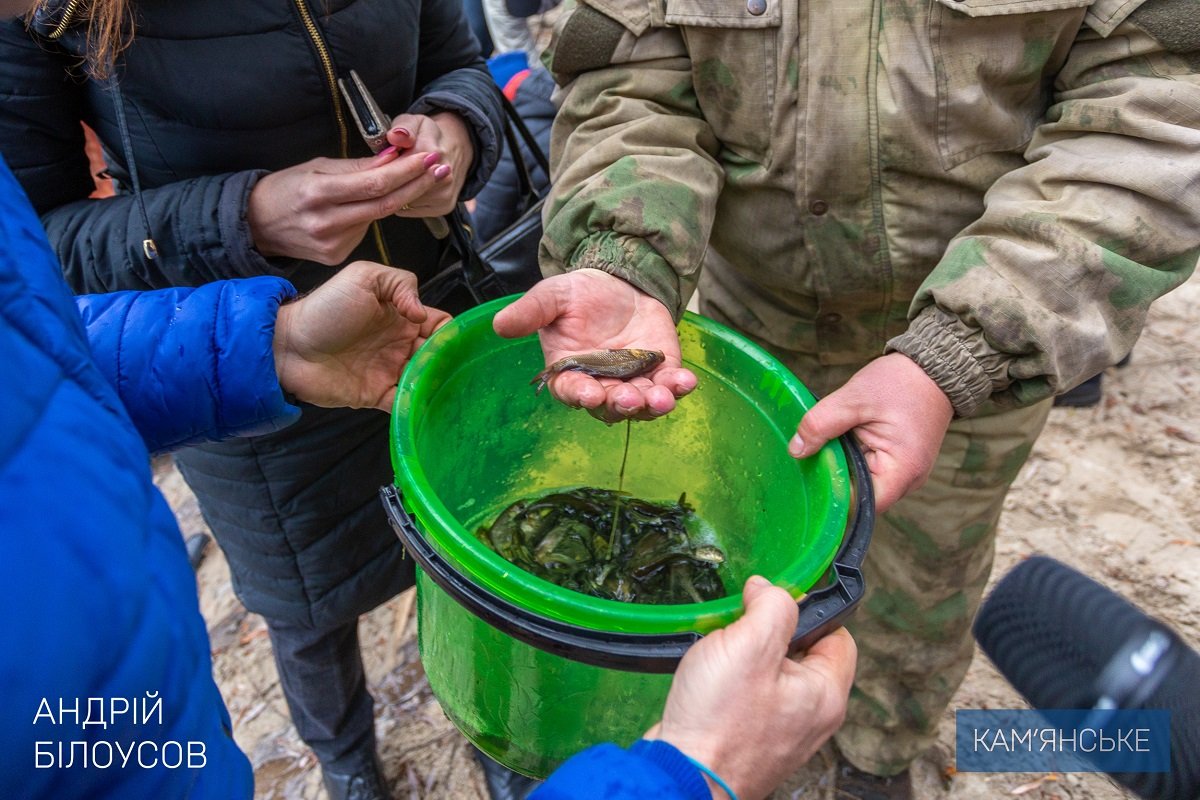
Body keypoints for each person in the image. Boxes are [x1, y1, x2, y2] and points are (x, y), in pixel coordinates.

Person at [0, 118, 856, 800]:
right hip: (259, 496)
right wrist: (685, 774)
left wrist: (269, 341)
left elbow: (29, 346)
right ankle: (348, 762)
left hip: (356, 346)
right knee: (310, 618)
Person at [494, 2, 1200, 797]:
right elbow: (629, 79)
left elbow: (1154, 107)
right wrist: (625, 251)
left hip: (974, 365)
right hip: (754, 345)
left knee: (924, 583)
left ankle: (878, 754)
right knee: (742, 552)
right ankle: (723, 728)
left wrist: (960, 351)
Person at [0, 2, 504, 797]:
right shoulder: (41, 13)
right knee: (307, 608)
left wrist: (459, 133)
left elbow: (462, 64)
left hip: (426, 316)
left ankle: (491, 733)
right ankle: (346, 765)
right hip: (231, 370)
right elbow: (42, 258)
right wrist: (242, 216)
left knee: (470, 557)